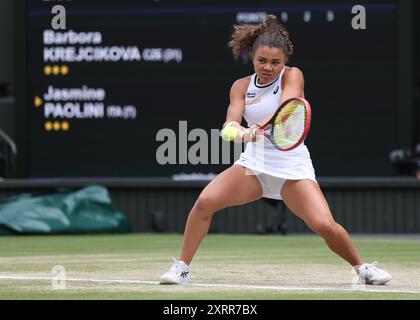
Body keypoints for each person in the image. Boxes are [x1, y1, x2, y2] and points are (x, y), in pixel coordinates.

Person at [159, 15, 391, 286]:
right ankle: (182, 268)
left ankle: (362, 268)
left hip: (292, 168)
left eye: (275, 62)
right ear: (252, 57)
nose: (268, 67)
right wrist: (241, 132)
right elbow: (228, 126)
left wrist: (258, 127)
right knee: (204, 203)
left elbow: (288, 106)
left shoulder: (293, 75)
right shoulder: (240, 87)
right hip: (253, 166)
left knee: (325, 225)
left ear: (284, 62)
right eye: (262, 61)